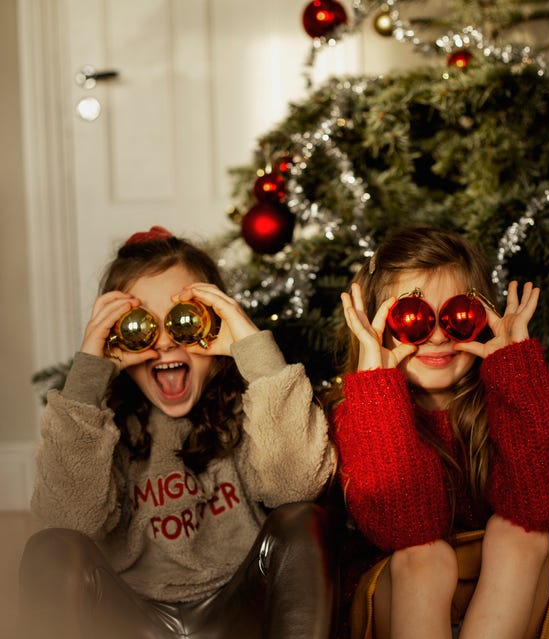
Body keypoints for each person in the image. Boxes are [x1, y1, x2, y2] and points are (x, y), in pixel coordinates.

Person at [20, 226, 338, 639]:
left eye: (184, 321)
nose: (166, 343)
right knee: (52, 547)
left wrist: (255, 353)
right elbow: (64, 519)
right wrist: (85, 382)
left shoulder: (253, 408)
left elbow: (297, 488)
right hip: (130, 619)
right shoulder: (100, 427)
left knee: (303, 521)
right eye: (141, 327)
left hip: (238, 610)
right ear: (115, 338)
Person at [329, 226, 549, 639]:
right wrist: (378, 386)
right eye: (412, 319)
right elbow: (404, 529)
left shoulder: (506, 397)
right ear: (378, 326)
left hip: (510, 601)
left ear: (483, 318)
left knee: (522, 533)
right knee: (423, 557)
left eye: (456, 317)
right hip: (404, 600)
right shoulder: (361, 412)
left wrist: (515, 369)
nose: (436, 336)